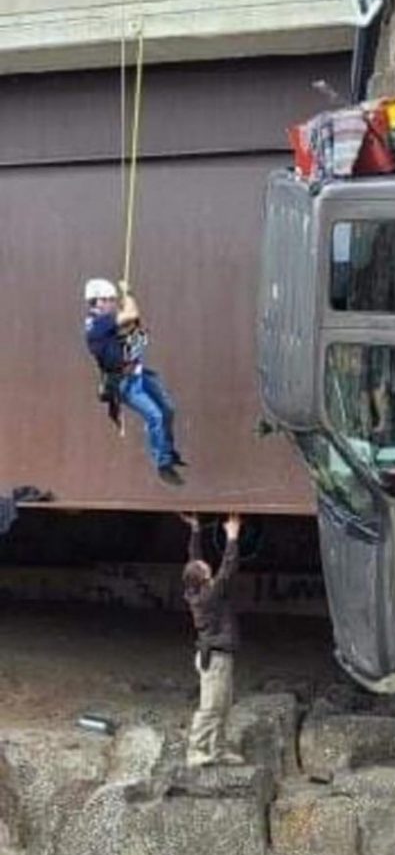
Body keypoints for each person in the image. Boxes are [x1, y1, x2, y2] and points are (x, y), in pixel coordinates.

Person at [83, 277, 186, 485]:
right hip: (125, 383)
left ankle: (167, 451)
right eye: (110, 300)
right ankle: (163, 464)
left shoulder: (105, 323)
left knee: (167, 410)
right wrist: (128, 293)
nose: (113, 303)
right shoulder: (98, 323)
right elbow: (132, 314)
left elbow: (130, 323)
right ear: (98, 302)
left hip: (137, 373)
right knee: (155, 416)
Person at [182, 512, 245, 768]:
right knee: (210, 707)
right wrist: (232, 536)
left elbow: (193, 559)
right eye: (204, 567)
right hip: (216, 658)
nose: (205, 563)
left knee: (223, 706)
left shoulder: (196, 589)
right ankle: (196, 750)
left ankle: (218, 750)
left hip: (219, 656)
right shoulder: (209, 596)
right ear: (204, 577)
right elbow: (227, 570)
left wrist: (196, 531)